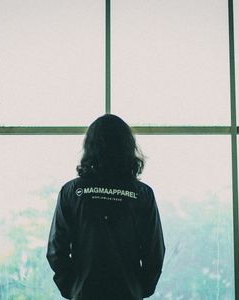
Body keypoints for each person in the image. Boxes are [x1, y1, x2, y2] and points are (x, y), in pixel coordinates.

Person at [46, 114, 165, 300]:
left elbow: (56, 250)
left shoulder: (72, 191)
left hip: (84, 293)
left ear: (90, 146)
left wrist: (72, 288)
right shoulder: (142, 194)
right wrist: (140, 288)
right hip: (128, 293)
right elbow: (154, 251)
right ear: (127, 146)